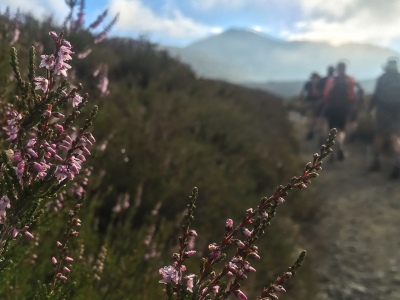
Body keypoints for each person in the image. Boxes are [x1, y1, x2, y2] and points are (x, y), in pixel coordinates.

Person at [368, 58, 400, 178]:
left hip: (383, 112)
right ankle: (397, 159)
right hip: (397, 112)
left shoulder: (382, 78)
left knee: (380, 135)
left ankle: (376, 161)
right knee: (395, 136)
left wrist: (369, 109)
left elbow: (375, 95)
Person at [323, 61, 356, 160]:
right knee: (341, 130)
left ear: (337, 69)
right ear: (345, 69)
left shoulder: (331, 80)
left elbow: (326, 94)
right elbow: (352, 97)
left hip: (332, 108)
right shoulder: (350, 80)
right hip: (344, 109)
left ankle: (330, 152)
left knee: (331, 130)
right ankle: (341, 145)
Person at [299, 72, 323, 140]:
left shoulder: (311, 84)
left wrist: (302, 102)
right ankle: (311, 131)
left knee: (313, 118)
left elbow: (302, 93)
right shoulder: (312, 84)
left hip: (314, 103)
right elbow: (315, 94)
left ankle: (311, 131)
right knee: (312, 118)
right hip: (313, 103)